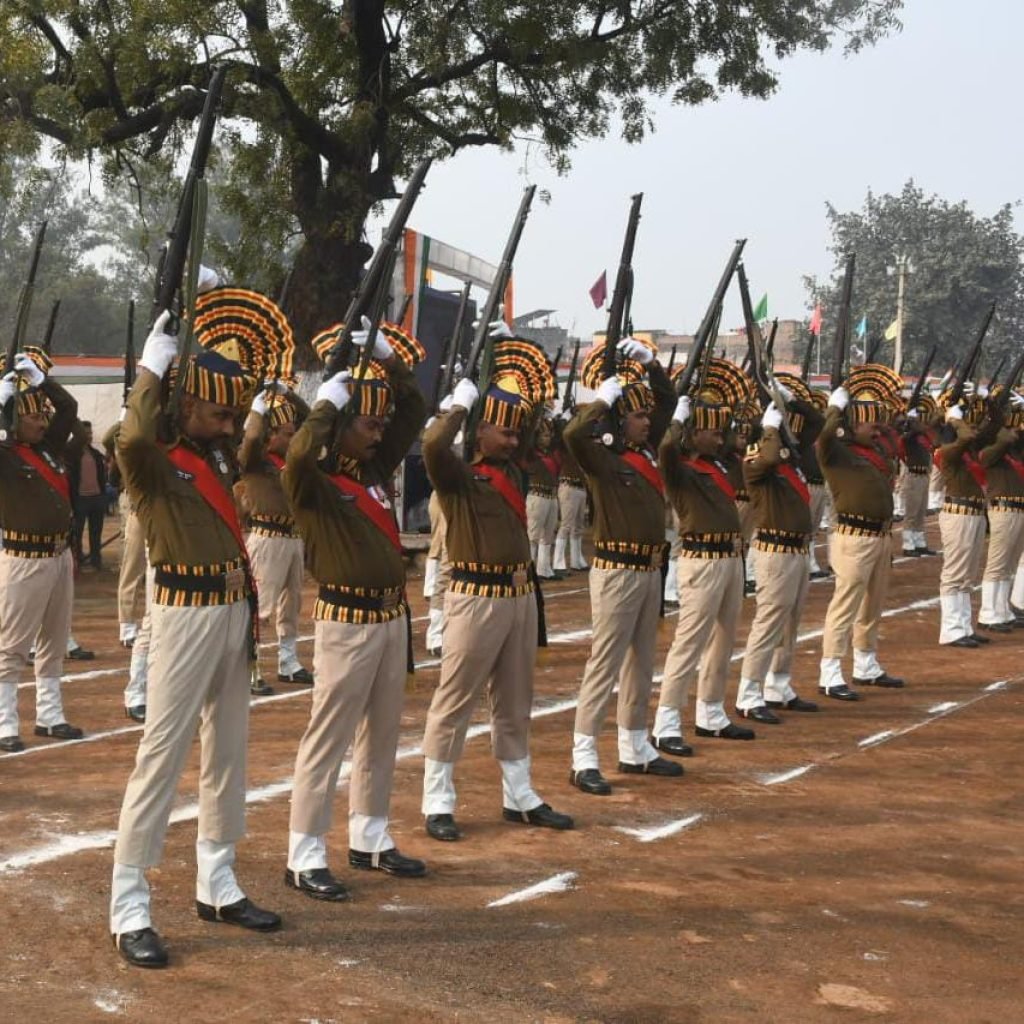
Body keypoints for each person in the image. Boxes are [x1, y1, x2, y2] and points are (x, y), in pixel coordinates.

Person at [110, 308, 282, 969]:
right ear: (185, 408)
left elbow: (253, 434)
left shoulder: (212, 455)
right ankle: (129, 906)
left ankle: (218, 881)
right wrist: (151, 367)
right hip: (184, 614)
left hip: (233, 609)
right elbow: (131, 436)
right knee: (161, 756)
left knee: (228, 752)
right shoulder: (151, 463)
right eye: (219, 415)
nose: (230, 426)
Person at [282, 320, 428, 898]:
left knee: (382, 735)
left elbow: (414, 413)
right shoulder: (314, 481)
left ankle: (370, 836)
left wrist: (389, 360)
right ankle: (304, 853)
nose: (380, 432)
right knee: (329, 739)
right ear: (341, 427)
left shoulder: (370, 471)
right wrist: (325, 403)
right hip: (346, 620)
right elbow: (297, 455)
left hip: (391, 618)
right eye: (368, 423)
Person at [420, 329, 573, 841]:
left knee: (515, 701)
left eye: (514, 434)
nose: (512, 441)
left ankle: (519, 793)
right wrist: (459, 406)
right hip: (476, 598)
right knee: (455, 700)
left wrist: (504, 357)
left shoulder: (517, 470)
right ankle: (437, 799)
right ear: (480, 431)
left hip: (519, 597)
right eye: (503, 433)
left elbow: (536, 433)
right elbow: (432, 444)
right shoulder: (458, 477)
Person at [563, 338, 681, 794]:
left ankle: (634, 746)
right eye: (637, 415)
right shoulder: (602, 459)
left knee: (641, 662)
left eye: (646, 416)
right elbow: (573, 435)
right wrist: (600, 402)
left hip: (649, 570)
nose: (647, 421)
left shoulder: (645, 453)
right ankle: (583, 754)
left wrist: (652, 366)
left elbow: (667, 403)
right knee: (606, 663)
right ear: (618, 420)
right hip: (616, 571)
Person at [652, 359, 755, 745]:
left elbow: (740, 435)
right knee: (690, 642)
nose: (719, 437)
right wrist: (677, 417)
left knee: (724, 640)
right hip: (703, 560)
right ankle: (666, 722)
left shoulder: (722, 465)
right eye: (712, 432)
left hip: (730, 559)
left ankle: (711, 711)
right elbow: (665, 447)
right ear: (694, 435)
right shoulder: (680, 469)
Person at [0, 349, 83, 753]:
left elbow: (68, 409)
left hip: (58, 556)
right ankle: (4, 723)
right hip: (24, 558)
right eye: (32, 416)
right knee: (11, 644)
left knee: (54, 638)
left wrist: (40, 381)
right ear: (14, 421)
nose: (42, 421)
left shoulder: (48, 448)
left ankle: (50, 716)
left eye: (40, 415)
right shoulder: (5, 456)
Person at [735, 375, 821, 721]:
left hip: (797, 551)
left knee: (790, 623)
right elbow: (769, 456)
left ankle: (778, 684)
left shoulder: (789, 459)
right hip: (775, 551)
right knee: (769, 623)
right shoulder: (757, 463)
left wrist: (792, 402)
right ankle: (748, 693)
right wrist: (770, 426)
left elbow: (816, 422)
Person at [817, 364, 905, 699]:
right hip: (854, 537)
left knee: (872, 605)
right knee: (846, 605)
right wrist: (835, 409)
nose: (877, 430)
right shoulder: (837, 454)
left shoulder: (875, 452)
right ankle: (830, 672)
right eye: (871, 424)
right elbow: (824, 438)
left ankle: (866, 664)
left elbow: (893, 441)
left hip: (880, 536)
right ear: (853, 426)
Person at [239, 382, 313, 690]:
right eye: (286, 433)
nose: (293, 437)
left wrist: (289, 395)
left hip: (294, 538)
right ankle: (250, 668)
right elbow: (252, 438)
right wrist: (258, 410)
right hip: (268, 538)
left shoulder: (290, 462)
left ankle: (288, 662)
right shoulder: (256, 461)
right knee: (261, 608)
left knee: (291, 606)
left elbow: (311, 424)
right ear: (271, 435)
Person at [936, 387, 996, 647]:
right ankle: (952, 630)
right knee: (955, 574)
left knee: (968, 574)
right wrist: (954, 418)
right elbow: (968, 435)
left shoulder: (968, 450)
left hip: (974, 513)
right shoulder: (947, 452)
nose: (971, 427)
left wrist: (988, 399)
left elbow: (995, 426)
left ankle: (963, 626)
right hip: (958, 515)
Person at [977, 390, 1024, 632]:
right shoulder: (992, 446)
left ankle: (1002, 609)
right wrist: (1004, 436)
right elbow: (985, 457)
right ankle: (988, 613)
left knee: (1009, 563)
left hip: (1019, 508)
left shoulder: (1017, 447)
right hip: (1003, 508)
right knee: (997, 562)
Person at [103, 420, 148, 646]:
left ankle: (154, 622)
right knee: (132, 569)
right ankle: (128, 625)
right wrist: (129, 416)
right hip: (139, 511)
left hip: (165, 513)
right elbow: (107, 438)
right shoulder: (130, 449)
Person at [524, 410, 562, 579]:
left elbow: (559, 437)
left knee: (548, 536)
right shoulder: (531, 454)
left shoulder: (550, 454)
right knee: (533, 535)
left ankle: (544, 569)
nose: (548, 438)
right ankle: (530, 570)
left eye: (548, 435)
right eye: (544, 436)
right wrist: (535, 420)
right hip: (537, 496)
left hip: (552, 497)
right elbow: (527, 438)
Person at [899, 394, 939, 557]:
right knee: (912, 512)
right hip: (913, 476)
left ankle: (919, 542)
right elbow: (906, 436)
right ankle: (908, 544)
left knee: (921, 512)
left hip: (924, 476)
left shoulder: (923, 435)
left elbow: (935, 441)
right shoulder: (910, 435)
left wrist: (916, 421)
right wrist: (910, 420)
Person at [68, 420, 109, 569]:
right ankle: (78, 559)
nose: (89, 436)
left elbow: (102, 477)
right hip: (80, 500)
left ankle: (96, 561)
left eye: (90, 433)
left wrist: (102, 496)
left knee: (96, 533)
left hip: (97, 498)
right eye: (86, 433)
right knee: (77, 533)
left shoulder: (96, 455)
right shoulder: (71, 455)